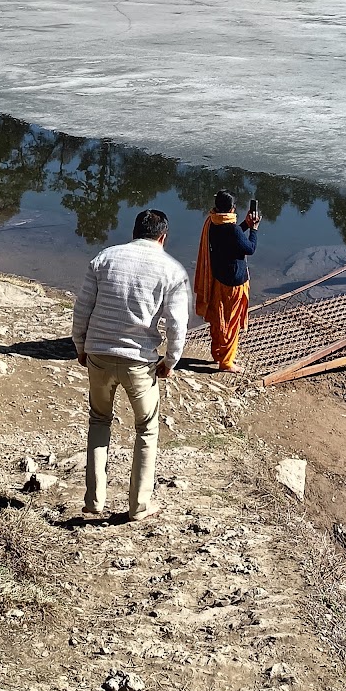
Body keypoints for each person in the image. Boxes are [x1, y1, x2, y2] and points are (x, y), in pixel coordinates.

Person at [71, 207, 189, 524]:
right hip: (140, 363)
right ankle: (139, 505)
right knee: (147, 430)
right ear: (163, 237)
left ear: (133, 232)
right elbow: (178, 325)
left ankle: (94, 500)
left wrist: (81, 346)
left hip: (99, 355)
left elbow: (82, 309)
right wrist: (170, 360)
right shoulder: (172, 271)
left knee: (99, 421)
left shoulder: (104, 259)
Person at [193, 190, 261, 372]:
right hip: (234, 283)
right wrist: (253, 229)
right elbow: (249, 248)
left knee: (219, 318)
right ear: (232, 208)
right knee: (230, 323)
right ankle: (227, 362)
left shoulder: (213, 222)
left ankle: (217, 354)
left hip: (218, 279)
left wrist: (245, 225)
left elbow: (233, 237)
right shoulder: (231, 229)